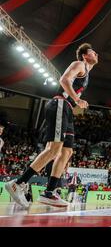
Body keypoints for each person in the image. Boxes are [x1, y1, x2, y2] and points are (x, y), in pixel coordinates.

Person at [5, 43, 98, 208]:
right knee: (53, 149)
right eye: (92, 51)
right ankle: (18, 184)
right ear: (84, 55)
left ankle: (49, 192)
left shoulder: (87, 73)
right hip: (60, 105)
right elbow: (63, 80)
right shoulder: (79, 64)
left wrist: (74, 102)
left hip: (67, 111)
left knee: (67, 151)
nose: (96, 53)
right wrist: (77, 100)